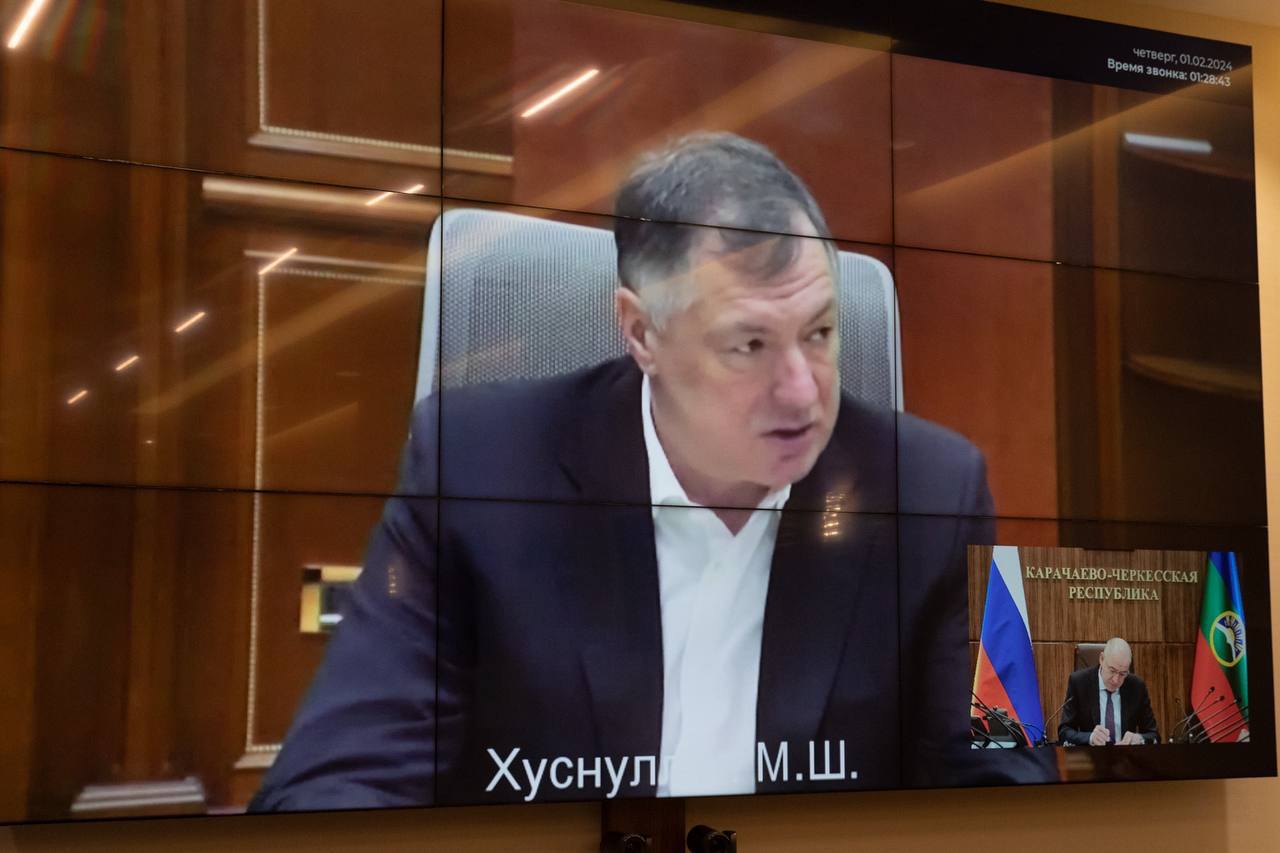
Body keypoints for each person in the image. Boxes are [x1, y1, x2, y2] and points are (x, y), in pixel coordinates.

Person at [251, 132, 1048, 812]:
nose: (804, 393)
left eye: (819, 332)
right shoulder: (473, 464)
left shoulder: (940, 488)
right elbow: (332, 780)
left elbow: (1015, 783)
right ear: (640, 332)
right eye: (749, 345)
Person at [1058, 637, 1160, 746]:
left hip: (1126, 755)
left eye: (1122, 674)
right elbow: (1064, 732)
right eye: (1112, 671)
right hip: (1091, 754)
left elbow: (1154, 735)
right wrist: (1090, 737)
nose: (1116, 680)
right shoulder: (1079, 683)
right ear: (1102, 659)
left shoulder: (1137, 687)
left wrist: (1139, 738)